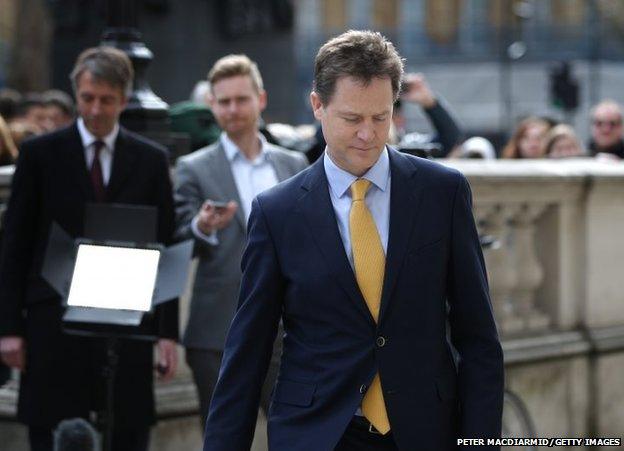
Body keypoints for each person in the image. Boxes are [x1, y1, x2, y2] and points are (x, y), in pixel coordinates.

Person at [203, 30, 504, 451]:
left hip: (424, 430)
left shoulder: (442, 192)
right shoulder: (277, 212)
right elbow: (247, 352)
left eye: (380, 117)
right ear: (317, 106)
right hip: (316, 432)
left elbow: (479, 337)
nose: (368, 134)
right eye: (352, 119)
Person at [0, 46, 178, 451]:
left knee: (126, 433)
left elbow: (164, 244)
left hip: (126, 324)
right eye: (87, 98)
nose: (96, 110)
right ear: (76, 94)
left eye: (107, 100)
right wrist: (9, 328)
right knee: (52, 433)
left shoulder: (150, 161)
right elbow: (15, 244)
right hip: (53, 323)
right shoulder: (39, 155)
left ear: (123, 99)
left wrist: (166, 334)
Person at [174, 54, 308, 428]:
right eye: (223, 101)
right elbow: (177, 241)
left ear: (260, 100)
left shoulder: (293, 165)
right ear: (212, 105)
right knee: (222, 436)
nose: (233, 109)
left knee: (298, 434)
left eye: (241, 99)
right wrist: (202, 226)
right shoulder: (193, 168)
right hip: (217, 332)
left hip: (288, 331)